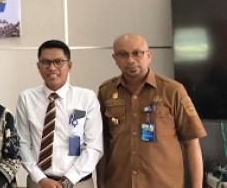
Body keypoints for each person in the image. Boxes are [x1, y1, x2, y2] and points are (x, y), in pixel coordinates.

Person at [97, 33, 206, 188]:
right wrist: (100, 183)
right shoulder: (106, 92)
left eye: (137, 53)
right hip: (119, 183)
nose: (130, 60)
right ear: (115, 59)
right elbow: (102, 143)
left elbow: (191, 142)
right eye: (123, 54)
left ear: (149, 55)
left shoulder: (172, 90)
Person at [16, 40, 102, 188]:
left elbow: (94, 147)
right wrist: (40, 179)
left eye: (58, 62)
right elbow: (22, 143)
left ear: (70, 65)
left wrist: (68, 180)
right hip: (39, 183)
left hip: (78, 182)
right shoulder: (26, 98)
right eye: (45, 62)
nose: (52, 67)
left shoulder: (86, 98)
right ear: (38, 66)